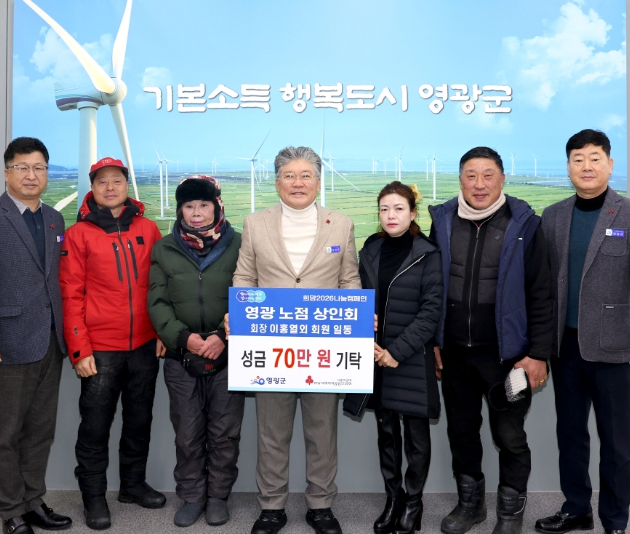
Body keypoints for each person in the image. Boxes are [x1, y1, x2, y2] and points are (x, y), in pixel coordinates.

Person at [535, 129, 630, 534]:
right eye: (578, 159)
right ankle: (576, 509)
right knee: (570, 434)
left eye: (594, 158)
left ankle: (615, 519)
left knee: (615, 440)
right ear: (568, 167)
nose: (586, 166)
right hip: (565, 345)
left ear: (609, 164)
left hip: (614, 345)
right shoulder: (553, 216)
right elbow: (543, 282)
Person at [230, 146, 361, 534]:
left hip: (323, 351)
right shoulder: (255, 223)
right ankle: (271, 507)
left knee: (322, 433)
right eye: (289, 175)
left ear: (318, 182)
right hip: (270, 349)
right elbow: (244, 277)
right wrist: (238, 311)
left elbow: (349, 280)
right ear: (277, 182)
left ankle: (321, 505)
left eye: (306, 175)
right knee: (272, 433)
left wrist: (356, 317)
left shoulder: (341, 224)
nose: (298, 182)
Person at [428, 146, 553, 534]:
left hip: (509, 359)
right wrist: (434, 341)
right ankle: (471, 506)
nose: (479, 184)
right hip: (455, 355)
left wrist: (538, 354)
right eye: (471, 175)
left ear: (502, 179)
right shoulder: (442, 221)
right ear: (460, 180)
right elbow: (432, 288)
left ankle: (510, 514)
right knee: (462, 432)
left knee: (509, 435)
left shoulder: (526, 225)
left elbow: (542, 293)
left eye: (487, 175)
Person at [0, 137, 72, 534]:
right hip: (6, 343)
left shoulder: (55, 219)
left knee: (40, 430)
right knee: (6, 434)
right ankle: (10, 510)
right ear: (7, 172)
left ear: (47, 173)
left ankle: (33, 501)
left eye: (39, 167)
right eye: (22, 167)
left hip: (50, 342)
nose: (31, 175)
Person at [59, 157, 165, 530]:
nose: (109, 187)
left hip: (144, 346)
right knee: (95, 426)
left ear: (126, 186)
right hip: (99, 349)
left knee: (139, 420)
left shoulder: (148, 228)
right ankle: (93, 497)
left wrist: (162, 331)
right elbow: (70, 295)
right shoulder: (78, 234)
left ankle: (132, 485)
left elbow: (161, 286)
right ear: (92, 188)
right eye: (101, 181)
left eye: (116, 180)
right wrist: (79, 349)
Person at [343, 181, 443, 534]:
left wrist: (395, 352)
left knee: (416, 436)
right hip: (374, 356)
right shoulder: (371, 249)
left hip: (410, 358)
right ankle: (393, 499)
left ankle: (413, 504)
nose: (391, 215)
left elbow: (431, 312)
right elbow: (356, 297)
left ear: (413, 213)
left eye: (399, 208)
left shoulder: (428, 253)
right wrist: (363, 330)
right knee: (386, 433)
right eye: (384, 209)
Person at [147, 176, 245, 528]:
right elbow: (157, 302)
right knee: (187, 433)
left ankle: (217, 496)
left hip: (228, 353)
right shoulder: (164, 248)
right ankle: (192, 496)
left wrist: (222, 336)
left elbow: (251, 294)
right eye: (189, 206)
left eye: (204, 205)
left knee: (224, 432)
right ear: (180, 210)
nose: (197, 212)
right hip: (181, 356)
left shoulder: (240, 244)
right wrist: (183, 337)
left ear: (217, 206)